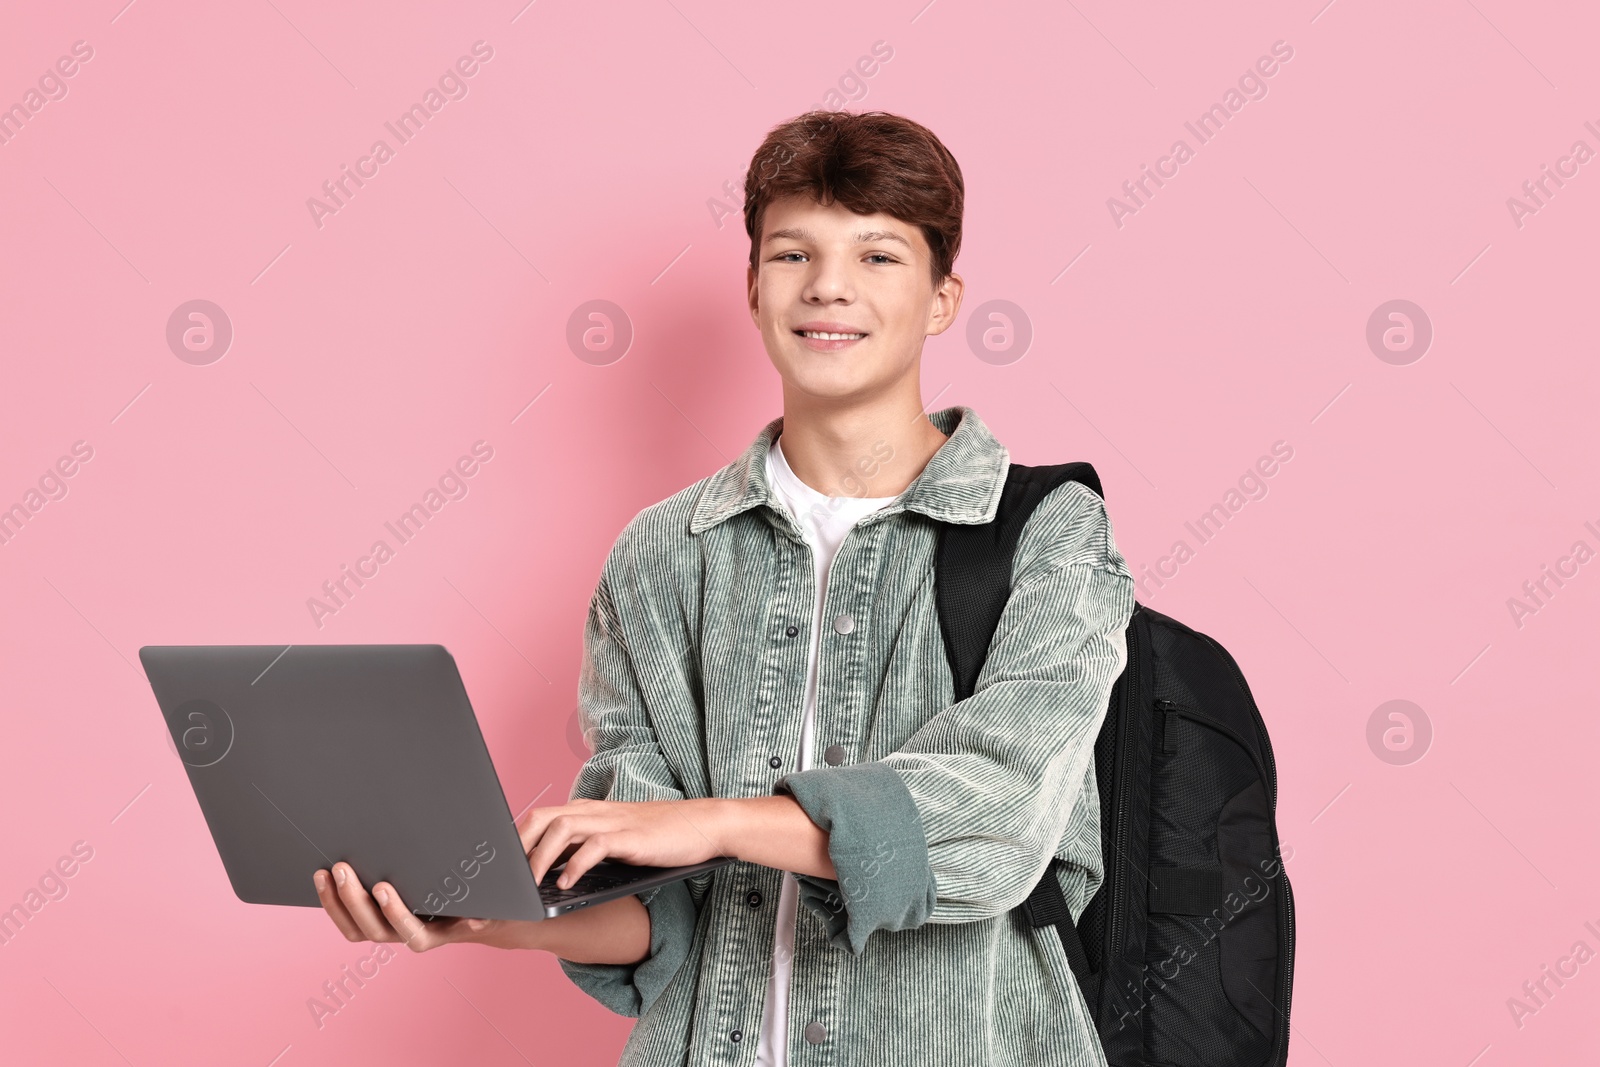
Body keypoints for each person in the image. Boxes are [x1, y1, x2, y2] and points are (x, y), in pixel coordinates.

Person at [313, 109, 1136, 1066]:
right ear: (752, 290)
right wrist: (490, 918)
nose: (829, 286)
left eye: (877, 256)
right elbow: (651, 909)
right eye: (793, 254)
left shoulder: (1048, 532)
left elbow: (996, 820)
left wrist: (705, 821)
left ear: (944, 298)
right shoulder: (663, 555)